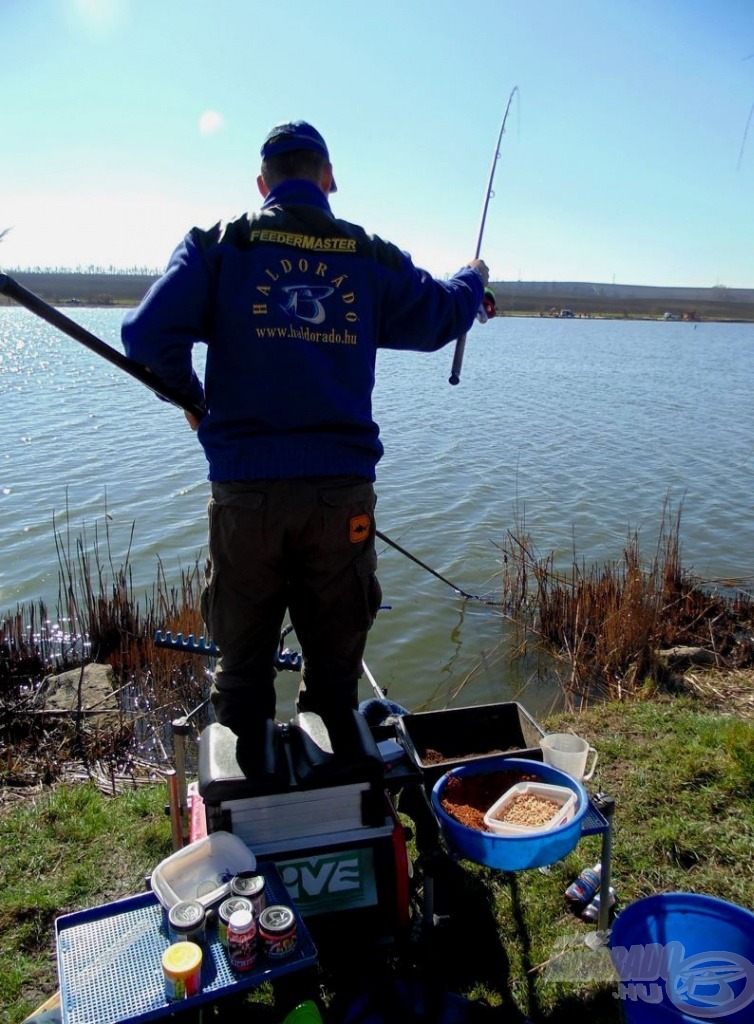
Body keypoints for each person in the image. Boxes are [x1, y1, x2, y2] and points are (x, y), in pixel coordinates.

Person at [122, 119, 489, 742]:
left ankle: (244, 824)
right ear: (328, 179)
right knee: (333, 682)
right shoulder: (367, 256)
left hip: (246, 499)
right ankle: (329, 814)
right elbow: (441, 318)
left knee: (239, 681)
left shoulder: (219, 245)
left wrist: (193, 401)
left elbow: (146, 336)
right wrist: (474, 276)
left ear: (264, 183)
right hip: (339, 502)